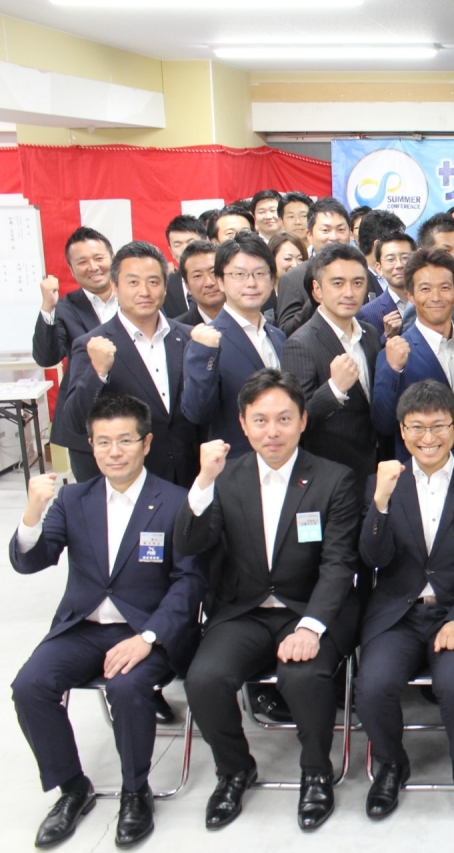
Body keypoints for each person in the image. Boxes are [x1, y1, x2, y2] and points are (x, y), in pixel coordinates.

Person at [10, 394, 205, 849]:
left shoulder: (175, 501)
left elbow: (190, 583)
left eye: (125, 440)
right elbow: (31, 561)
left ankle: (136, 792)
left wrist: (148, 637)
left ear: (146, 443)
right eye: (103, 442)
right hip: (83, 628)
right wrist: (32, 513)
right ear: (91, 446)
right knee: (30, 685)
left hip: (146, 631)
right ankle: (72, 789)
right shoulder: (73, 499)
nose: (114, 452)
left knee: (127, 687)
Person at [177, 369, 362, 831]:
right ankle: (234, 770)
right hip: (244, 610)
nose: (272, 431)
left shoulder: (334, 479)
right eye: (260, 420)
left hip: (309, 610)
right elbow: (190, 543)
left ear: (303, 420)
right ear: (243, 424)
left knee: (303, 677)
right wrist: (202, 482)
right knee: (204, 679)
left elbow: (339, 564)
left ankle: (316, 772)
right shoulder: (224, 478)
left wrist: (311, 627)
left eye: (283, 418)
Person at [356, 380, 454, 822]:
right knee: (372, 685)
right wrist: (380, 504)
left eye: (438, 426)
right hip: (398, 615)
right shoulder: (383, 483)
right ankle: (390, 764)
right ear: (402, 431)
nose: (428, 438)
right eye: (417, 427)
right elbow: (373, 558)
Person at [60, 241, 198, 487]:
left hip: (190, 475)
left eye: (153, 282)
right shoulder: (92, 345)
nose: (144, 291)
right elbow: (75, 421)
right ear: (115, 287)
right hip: (130, 480)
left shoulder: (189, 337)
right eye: (133, 282)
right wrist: (97, 372)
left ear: (165, 286)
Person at [280, 242, 382, 485]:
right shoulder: (299, 344)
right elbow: (298, 419)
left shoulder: (369, 333)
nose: (349, 292)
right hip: (331, 476)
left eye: (357, 283)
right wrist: (335, 389)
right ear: (317, 290)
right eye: (338, 283)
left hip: (376, 467)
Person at [182, 232, 286, 456]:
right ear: (220, 281)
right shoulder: (207, 342)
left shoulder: (278, 336)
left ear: (272, 279)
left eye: (260, 273)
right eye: (239, 274)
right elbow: (197, 413)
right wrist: (204, 352)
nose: (251, 283)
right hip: (237, 465)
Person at [373, 248, 454, 463]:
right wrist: (393, 370)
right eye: (425, 289)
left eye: (445, 288)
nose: (436, 297)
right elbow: (384, 423)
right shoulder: (394, 352)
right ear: (411, 295)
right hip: (421, 470)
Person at [36, 228, 119, 479]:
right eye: (82, 262)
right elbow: (47, 357)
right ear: (71, 271)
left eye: (98, 258)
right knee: (91, 495)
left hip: (135, 415)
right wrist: (48, 307)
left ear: (113, 259)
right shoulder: (64, 307)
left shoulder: (136, 299)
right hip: (85, 421)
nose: (93, 267)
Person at [276, 197, 353, 335]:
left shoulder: (360, 272)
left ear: (350, 234)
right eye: (325, 230)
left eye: (341, 229)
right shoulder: (292, 278)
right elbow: (285, 332)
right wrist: (315, 299)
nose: (334, 237)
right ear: (309, 235)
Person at [356, 231, 418, 342]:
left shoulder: (433, 301)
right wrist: (387, 337)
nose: (399, 265)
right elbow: (368, 352)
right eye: (390, 259)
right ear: (379, 268)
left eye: (405, 257)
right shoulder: (367, 314)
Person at [162, 215, 206, 317]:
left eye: (191, 242)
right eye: (177, 245)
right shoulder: (164, 287)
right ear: (171, 251)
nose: (185, 249)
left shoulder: (223, 279)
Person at [174, 239, 223, 326]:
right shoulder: (178, 329)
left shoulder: (249, 316)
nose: (209, 283)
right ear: (187, 287)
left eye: (213, 272)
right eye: (197, 276)